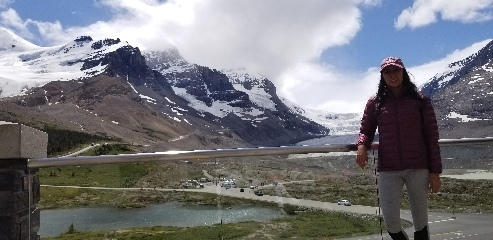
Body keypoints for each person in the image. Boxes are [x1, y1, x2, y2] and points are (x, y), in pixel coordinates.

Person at [355, 57, 442, 240]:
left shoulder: (420, 100)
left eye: (396, 71)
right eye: (388, 72)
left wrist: (435, 172)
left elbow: (431, 137)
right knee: (391, 222)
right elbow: (366, 129)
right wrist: (362, 145)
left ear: (404, 72)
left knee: (420, 220)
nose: (392, 75)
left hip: (418, 167)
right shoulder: (375, 102)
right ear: (382, 76)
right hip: (389, 168)